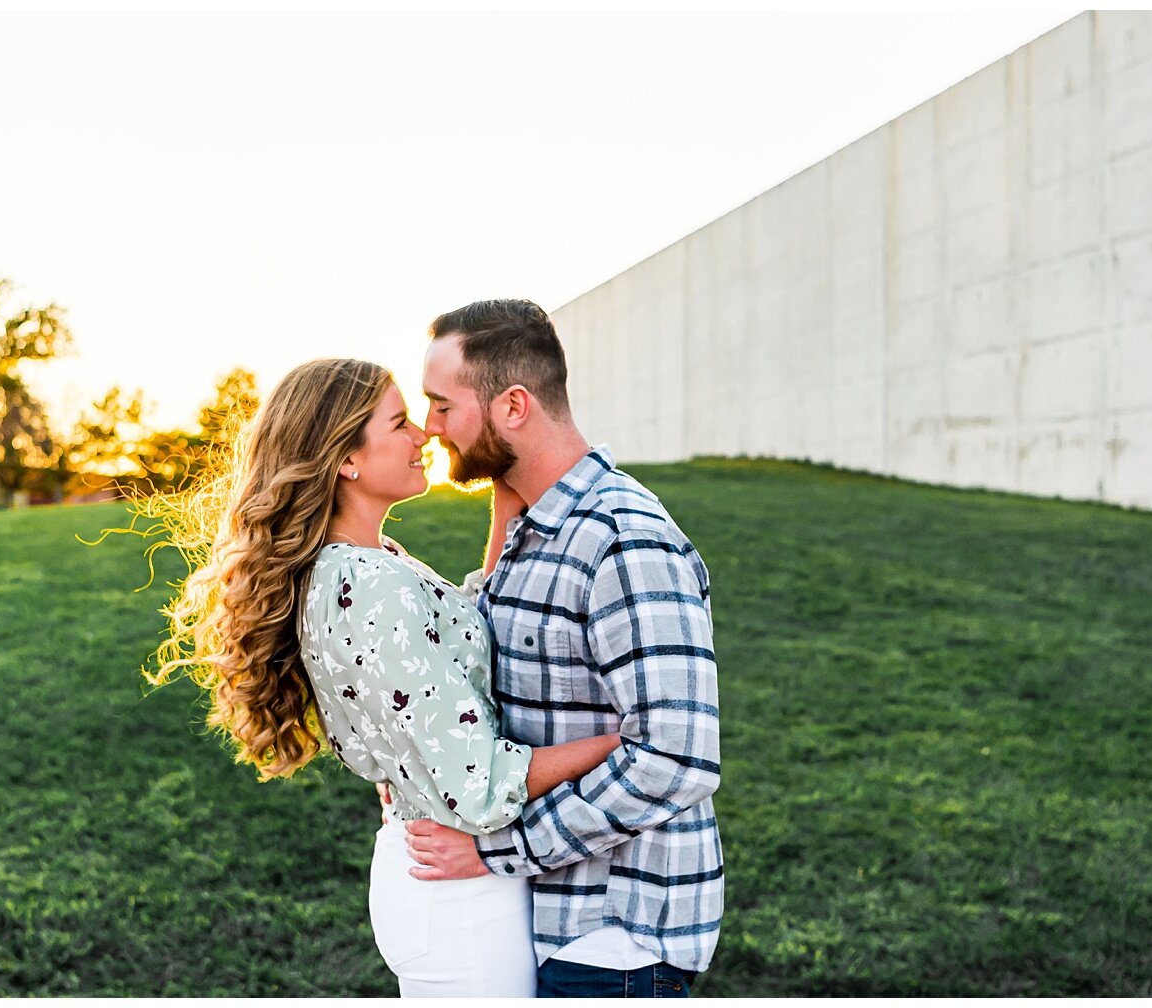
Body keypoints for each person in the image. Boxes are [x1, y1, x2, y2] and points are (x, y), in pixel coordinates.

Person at [141, 358, 621, 997]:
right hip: (459, 897)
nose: (422, 433)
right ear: (346, 460)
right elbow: (478, 783)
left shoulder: (362, 563)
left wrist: (508, 493)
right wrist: (622, 744)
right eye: (398, 424)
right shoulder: (374, 587)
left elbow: (454, 628)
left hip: (432, 873)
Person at [407, 299, 723, 998]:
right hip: (549, 919)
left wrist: (495, 851)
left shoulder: (621, 540)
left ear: (513, 406)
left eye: (441, 405)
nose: (428, 427)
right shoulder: (532, 524)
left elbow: (675, 760)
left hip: (616, 938)